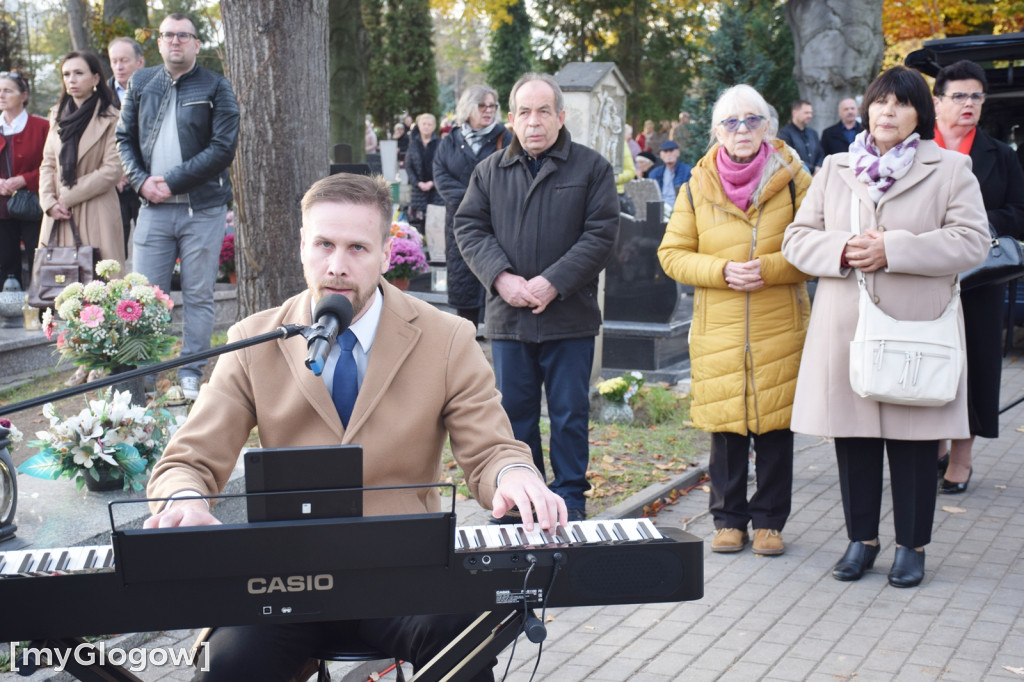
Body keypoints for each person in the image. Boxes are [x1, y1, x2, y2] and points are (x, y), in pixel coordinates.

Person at [143, 172, 565, 681]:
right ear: (302, 246)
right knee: (225, 666)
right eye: (323, 244)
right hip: (285, 582)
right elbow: (188, 459)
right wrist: (184, 497)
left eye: (358, 248)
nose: (337, 267)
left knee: (464, 647)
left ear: (386, 253)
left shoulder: (447, 338)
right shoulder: (252, 340)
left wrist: (514, 474)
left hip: (405, 576)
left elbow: (491, 448)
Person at [781, 66, 989, 587]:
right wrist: (844, 250)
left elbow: (972, 242)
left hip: (914, 327)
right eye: (879, 103)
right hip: (846, 328)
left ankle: (912, 546)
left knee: (915, 442)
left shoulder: (951, 168)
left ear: (918, 114)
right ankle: (861, 540)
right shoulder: (835, 167)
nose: (886, 113)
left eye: (899, 105)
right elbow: (797, 239)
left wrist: (893, 249)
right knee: (853, 440)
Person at [454, 72, 619, 521]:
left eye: (544, 110)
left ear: (561, 116)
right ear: (511, 118)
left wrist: (554, 281)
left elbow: (601, 233)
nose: (534, 121)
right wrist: (502, 277)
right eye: (524, 111)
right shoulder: (490, 171)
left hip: (570, 317)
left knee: (568, 415)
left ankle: (569, 499)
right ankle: (522, 499)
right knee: (514, 417)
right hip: (510, 319)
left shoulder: (591, 168)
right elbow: (469, 228)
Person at [657, 84, 811, 556]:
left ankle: (769, 522)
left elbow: (815, 247)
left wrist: (768, 269)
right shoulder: (695, 185)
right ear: (716, 131)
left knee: (774, 428)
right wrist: (721, 270)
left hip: (777, 323)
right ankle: (728, 520)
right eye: (730, 122)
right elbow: (672, 254)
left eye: (751, 120)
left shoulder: (796, 179)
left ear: (767, 126)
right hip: (719, 326)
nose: (741, 130)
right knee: (726, 429)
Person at [116, 13, 239, 401]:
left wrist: (171, 181)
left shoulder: (216, 86)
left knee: (199, 294)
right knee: (143, 296)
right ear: (158, 43)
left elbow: (222, 149)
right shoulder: (141, 82)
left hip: (201, 209)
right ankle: (145, 376)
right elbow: (124, 139)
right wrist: (140, 181)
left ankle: (190, 372)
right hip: (152, 209)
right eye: (168, 35)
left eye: (183, 36)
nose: (175, 42)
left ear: (196, 44)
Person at [931, 60, 1024, 494]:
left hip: (979, 281)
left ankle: (961, 460)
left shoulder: (999, 156)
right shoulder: (912, 149)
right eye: (959, 96)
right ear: (937, 102)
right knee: (925, 361)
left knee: (973, 368)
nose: (969, 104)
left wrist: (978, 223)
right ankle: (929, 448)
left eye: (976, 96)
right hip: (922, 277)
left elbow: (1019, 215)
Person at [432, 84, 512, 331]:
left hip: (495, 220)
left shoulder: (505, 138)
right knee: (463, 278)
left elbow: (511, 175)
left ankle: (496, 333)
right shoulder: (451, 141)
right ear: (468, 108)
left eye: (492, 106)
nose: (488, 111)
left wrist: (483, 199)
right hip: (459, 221)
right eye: (482, 106)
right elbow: (441, 175)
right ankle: (466, 337)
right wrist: (471, 199)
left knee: (493, 272)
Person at [38, 51, 124, 270]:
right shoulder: (57, 115)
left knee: (101, 286)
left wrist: (69, 196)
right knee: (58, 288)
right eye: (66, 74)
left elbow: (112, 170)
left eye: (78, 73)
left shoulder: (112, 117)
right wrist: (48, 202)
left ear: (95, 79)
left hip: (97, 210)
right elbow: (48, 163)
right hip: (58, 212)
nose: (71, 80)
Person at [0, 70, 49, 288]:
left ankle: (41, 313)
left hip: (34, 205)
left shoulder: (42, 127)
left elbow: (53, 167)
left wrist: (25, 179)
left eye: (7, 91)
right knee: (5, 264)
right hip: (1, 209)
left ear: (24, 95)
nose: (1, 95)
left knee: (37, 257)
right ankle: (7, 314)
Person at [107, 37, 145, 254]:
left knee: (151, 250)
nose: (119, 67)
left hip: (147, 181)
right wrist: (117, 173)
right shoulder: (100, 96)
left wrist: (134, 172)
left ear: (139, 62)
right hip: (113, 186)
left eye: (124, 60)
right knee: (113, 252)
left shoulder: (156, 90)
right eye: (114, 61)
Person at [404, 112, 443, 232]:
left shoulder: (440, 144)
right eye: (424, 124)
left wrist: (433, 183)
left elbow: (444, 166)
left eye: (429, 124)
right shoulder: (413, 144)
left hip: (436, 190)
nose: (426, 127)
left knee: (435, 226)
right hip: (418, 191)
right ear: (419, 126)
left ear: (434, 127)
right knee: (418, 227)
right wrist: (417, 183)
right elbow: (408, 166)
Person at [647, 140, 692, 219]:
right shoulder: (654, 173)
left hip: (680, 209)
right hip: (660, 210)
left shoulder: (687, 171)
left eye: (671, 151)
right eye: (665, 151)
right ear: (661, 155)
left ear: (678, 153)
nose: (668, 154)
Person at [778, 99, 824, 174]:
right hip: (797, 177)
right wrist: (813, 169)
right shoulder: (785, 133)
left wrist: (818, 167)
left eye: (811, 113)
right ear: (795, 113)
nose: (810, 116)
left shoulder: (813, 133)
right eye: (806, 113)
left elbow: (820, 154)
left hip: (817, 177)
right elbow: (789, 156)